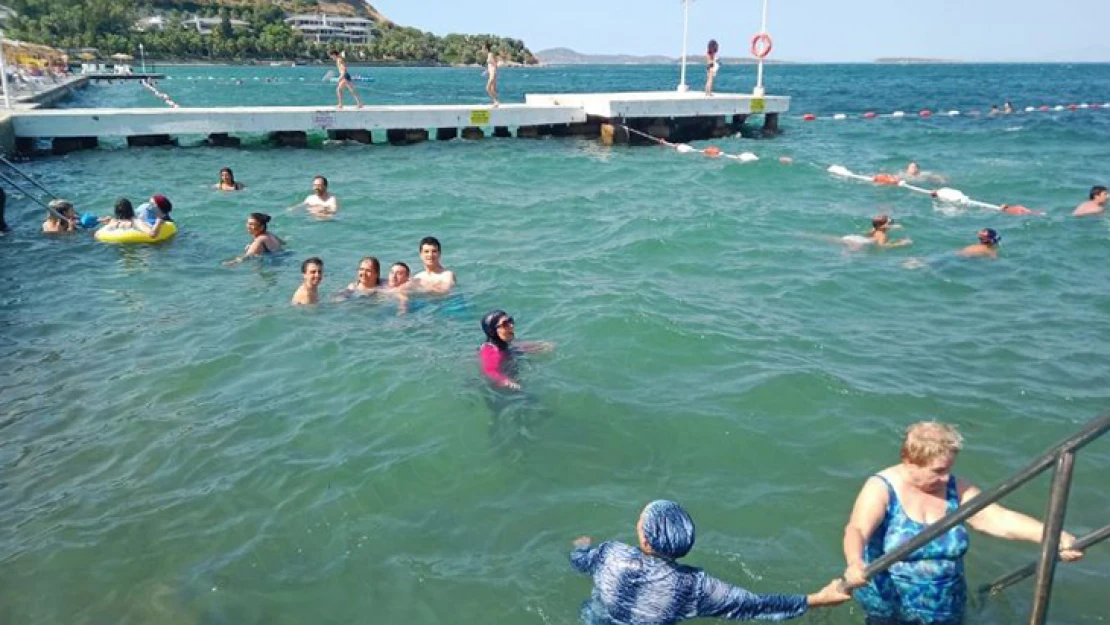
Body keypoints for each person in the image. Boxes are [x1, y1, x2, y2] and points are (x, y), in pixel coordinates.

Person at [842, 421, 1083, 625]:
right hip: (892, 607)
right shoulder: (881, 488)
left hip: (946, 604)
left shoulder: (954, 487)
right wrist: (854, 563)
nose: (946, 477)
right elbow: (857, 529)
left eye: (949, 468)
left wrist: (1053, 535)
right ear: (910, 461)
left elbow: (996, 519)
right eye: (938, 470)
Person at [571, 499, 851, 625]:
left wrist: (581, 547)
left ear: (645, 540)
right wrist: (818, 598)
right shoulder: (692, 586)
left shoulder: (610, 553)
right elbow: (755, 604)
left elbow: (580, 562)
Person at [479, 310, 553, 390]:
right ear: (492, 331)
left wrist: (540, 345)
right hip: (502, 392)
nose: (511, 325)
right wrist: (506, 382)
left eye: (510, 321)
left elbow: (517, 347)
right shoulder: (490, 350)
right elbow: (490, 371)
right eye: (505, 324)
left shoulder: (503, 344)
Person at [842, 215, 912, 250]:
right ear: (881, 226)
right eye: (889, 223)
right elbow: (882, 246)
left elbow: (868, 233)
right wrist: (901, 243)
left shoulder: (874, 229)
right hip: (861, 243)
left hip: (857, 238)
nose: (891, 225)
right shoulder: (882, 235)